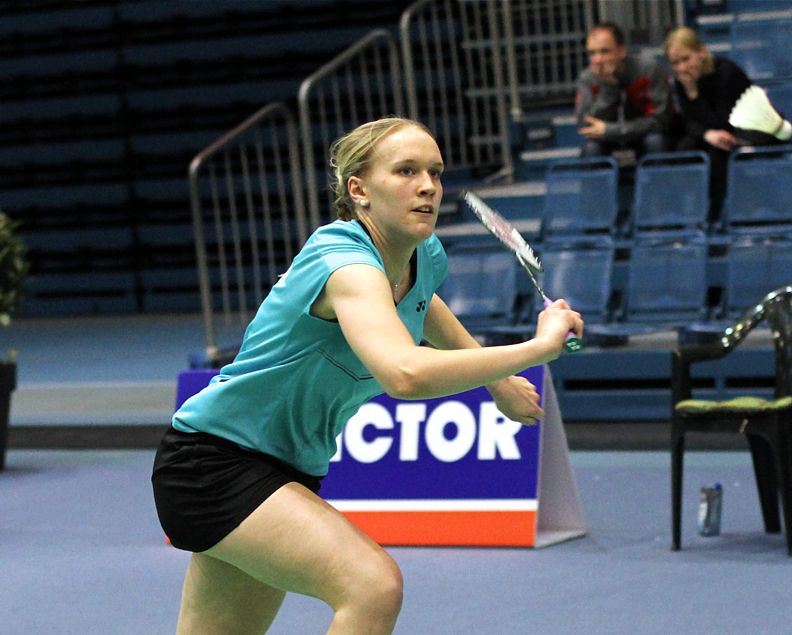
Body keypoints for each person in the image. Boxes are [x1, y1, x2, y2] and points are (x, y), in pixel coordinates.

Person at [151, 117, 583, 634]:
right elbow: (405, 373)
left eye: (435, 172)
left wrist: (498, 384)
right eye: (406, 171)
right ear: (359, 190)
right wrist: (534, 349)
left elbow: (424, 305)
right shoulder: (344, 263)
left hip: (288, 468)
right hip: (213, 463)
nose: (427, 186)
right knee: (372, 587)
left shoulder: (422, 254)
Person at [664, 26, 783, 216]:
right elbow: (688, 121)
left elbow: (723, 119)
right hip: (716, 131)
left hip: (757, 127)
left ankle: (725, 210)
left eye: (686, 59)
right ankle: (690, 210)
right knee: (684, 147)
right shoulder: (682, 81)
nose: (682, 68)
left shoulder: (726, 72)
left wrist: (694, 95)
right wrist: (706, 134)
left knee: (720, 149)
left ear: (701, 52)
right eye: (675, 63)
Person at [575, 21, 670, 159]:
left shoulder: (649, 70)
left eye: (604, 51)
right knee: (592, 149)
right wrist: (608, 87)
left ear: (622, 51)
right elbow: (586, 126)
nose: (597, 60)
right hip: (607, 141)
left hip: (642, 136)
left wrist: (612, 130)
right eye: (592, 53)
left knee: (656, 141)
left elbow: (660, 121)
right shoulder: (587, 79)